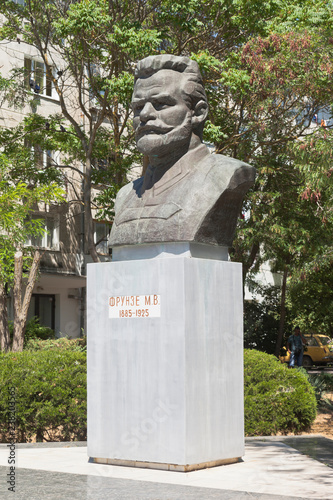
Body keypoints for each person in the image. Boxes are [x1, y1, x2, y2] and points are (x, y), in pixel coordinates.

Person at [109, 54, 255, 248]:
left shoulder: (225, 175)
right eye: (138, 107)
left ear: (198, 112)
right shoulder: (125, 195)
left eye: (161, 103)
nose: (144, 115)